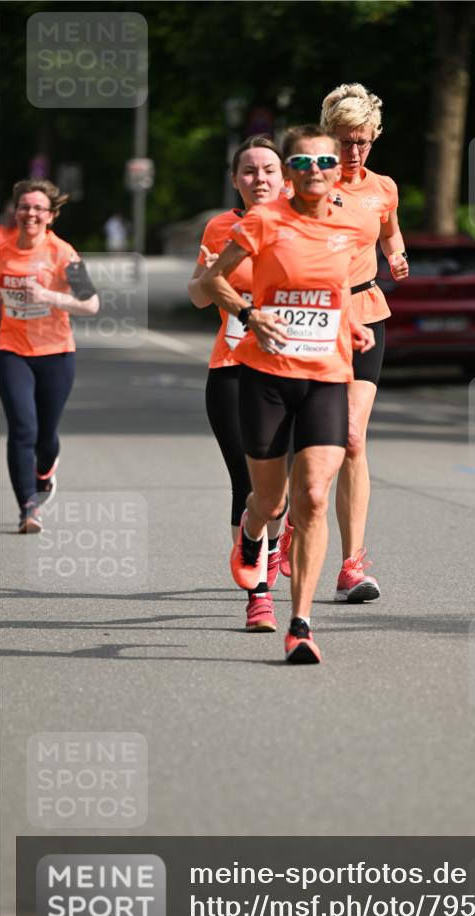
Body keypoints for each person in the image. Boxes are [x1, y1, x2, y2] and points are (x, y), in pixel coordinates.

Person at [201, 124, 375, 664]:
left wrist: (352, 325)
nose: (316, 172)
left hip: (326, 374)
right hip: (265, 376)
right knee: (271, 501)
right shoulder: (263, 221)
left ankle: (299, 623)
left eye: (325, 164)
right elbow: (212, 282)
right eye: (302, 164)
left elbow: (335, 292)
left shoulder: (350, 228)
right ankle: (253, 534)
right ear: (290, 173)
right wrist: (252, 314)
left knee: (315, 498)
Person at [278, 84, 409, 602]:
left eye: (363, 141)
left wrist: (397, 258)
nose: (354, 152)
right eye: (345, 140)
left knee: (353, 438)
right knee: (309, 435)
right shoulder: (307, 187)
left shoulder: (384, 188)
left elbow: (390, 234)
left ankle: (352, 565)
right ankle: (296, 519)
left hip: (368, 312)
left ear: (374, 138)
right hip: (313, 319)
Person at [188, 135, 288, 632]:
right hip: (230, 367)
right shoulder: (221, 227)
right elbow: (198, 296)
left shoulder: (303, 225)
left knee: (284, 488)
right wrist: (207, 278)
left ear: (284, 176)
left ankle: (279, 532)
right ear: (235, 180)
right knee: (246, 483)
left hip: (294, 371)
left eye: (268, 169)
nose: (260, 179)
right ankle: (260, 596)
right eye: (249, 171)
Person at [0, 179, 99, 532]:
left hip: (56, 353)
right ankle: (28, 507)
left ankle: (45, 471)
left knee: (45, 437)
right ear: (16, 210)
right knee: (22, 428)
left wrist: (49, 297)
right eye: (25, 206)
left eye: (39, 208)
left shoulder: (63, 253)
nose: (31, 214)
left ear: (51, 215)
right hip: (11, 350)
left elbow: (90, 303)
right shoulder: (2, 251)